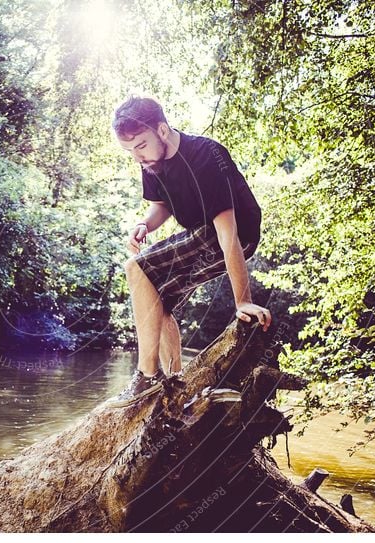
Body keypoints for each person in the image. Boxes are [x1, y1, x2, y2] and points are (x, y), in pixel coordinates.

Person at [110, 96, 272, 406]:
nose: (137, 157)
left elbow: (229, 234)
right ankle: (174, 383)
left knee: (137, 267)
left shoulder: (204, 156)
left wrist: (243, 302)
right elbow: (161, 205)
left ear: (161, 129)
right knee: (155, 301)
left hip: (235, 233)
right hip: (201, 232)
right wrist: (145, 225)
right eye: (129, 151)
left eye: (141, 146)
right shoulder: (151, 162)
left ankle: (147, 378)